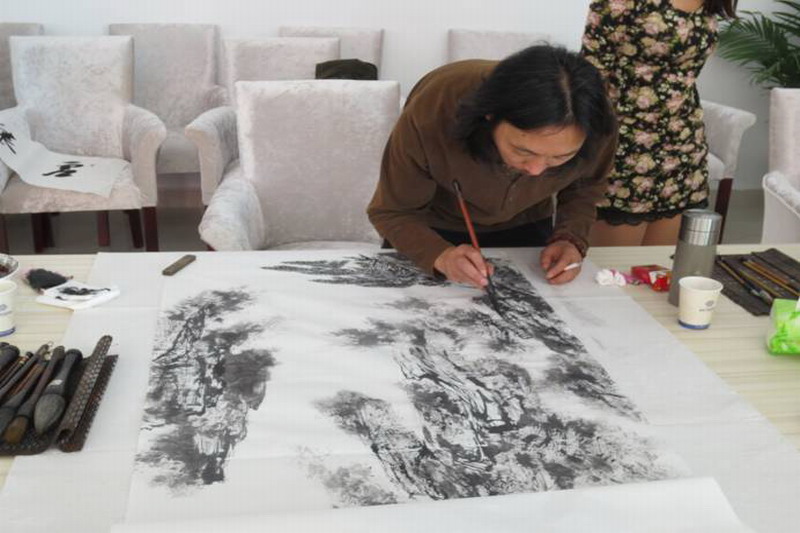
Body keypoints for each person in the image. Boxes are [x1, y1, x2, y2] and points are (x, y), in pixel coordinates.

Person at [367, 45, 617, 289]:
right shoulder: (436, 107)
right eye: (523, 151)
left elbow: (586, 185)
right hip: (429, 227)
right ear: (490, 116)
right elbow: (393, 212)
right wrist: (439, 254)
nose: (536, 170)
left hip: (526, 222)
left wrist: (570, 238)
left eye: (560, 157)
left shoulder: (595, 122)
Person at [581, 0, 737, 246]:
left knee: (660, 264)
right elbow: (589, 79)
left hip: (683, 146)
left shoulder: (708, 3)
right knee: (614, 265)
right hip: (625, 146)